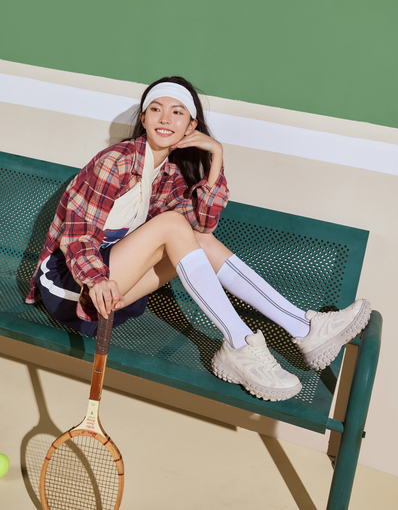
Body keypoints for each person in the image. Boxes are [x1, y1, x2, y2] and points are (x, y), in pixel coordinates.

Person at [26, 76, 371, 402]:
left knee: (194, 237)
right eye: (156, 109)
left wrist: (216, 156)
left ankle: (303, 327)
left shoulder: (169, 175)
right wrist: (97, 279)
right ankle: (240, 343)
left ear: (191, 126)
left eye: (177, 112)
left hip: (112, 290)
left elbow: (203, 229)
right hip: (74, 286)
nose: (165, 118)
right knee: (172, 225)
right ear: (143, 118)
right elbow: (78, 234)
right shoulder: (116, 160)